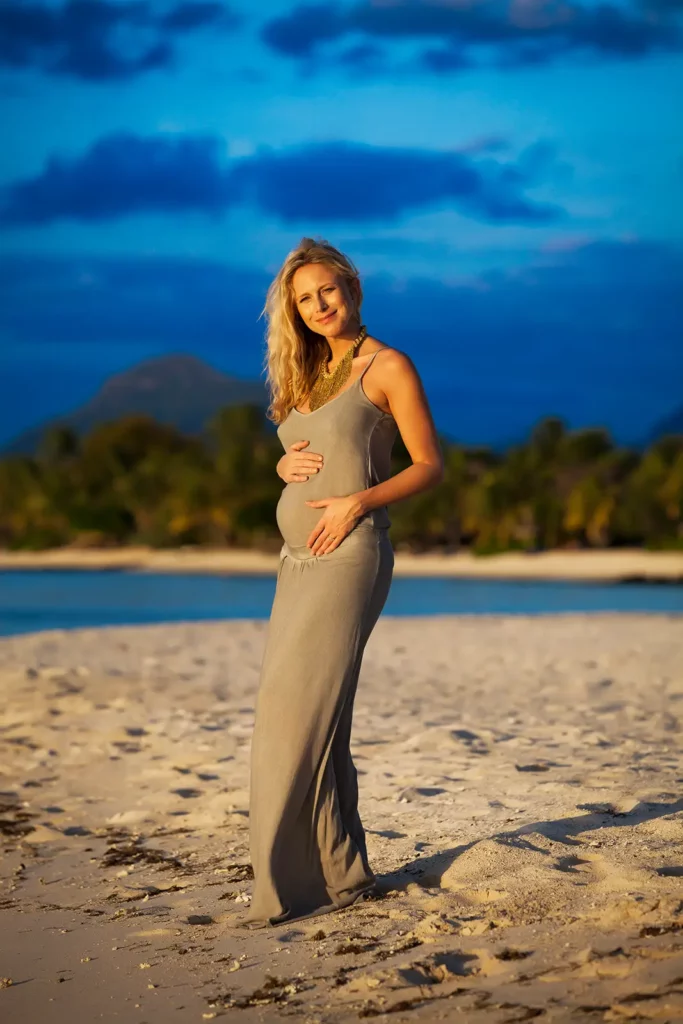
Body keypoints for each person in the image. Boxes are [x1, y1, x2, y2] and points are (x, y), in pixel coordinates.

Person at [240, 237, 443, 927]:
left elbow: (427, 466)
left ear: (352, 287)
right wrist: (280, 473)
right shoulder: (305, 371)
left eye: (327, 290)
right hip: (295, 562)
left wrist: (357, 500)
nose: (319, 305)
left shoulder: (387, 366)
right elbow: (303, 454)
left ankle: (284, 888)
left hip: (350, 555)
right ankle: (341, 873)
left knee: (294, 722)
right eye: (303, 298)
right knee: (312, 721)